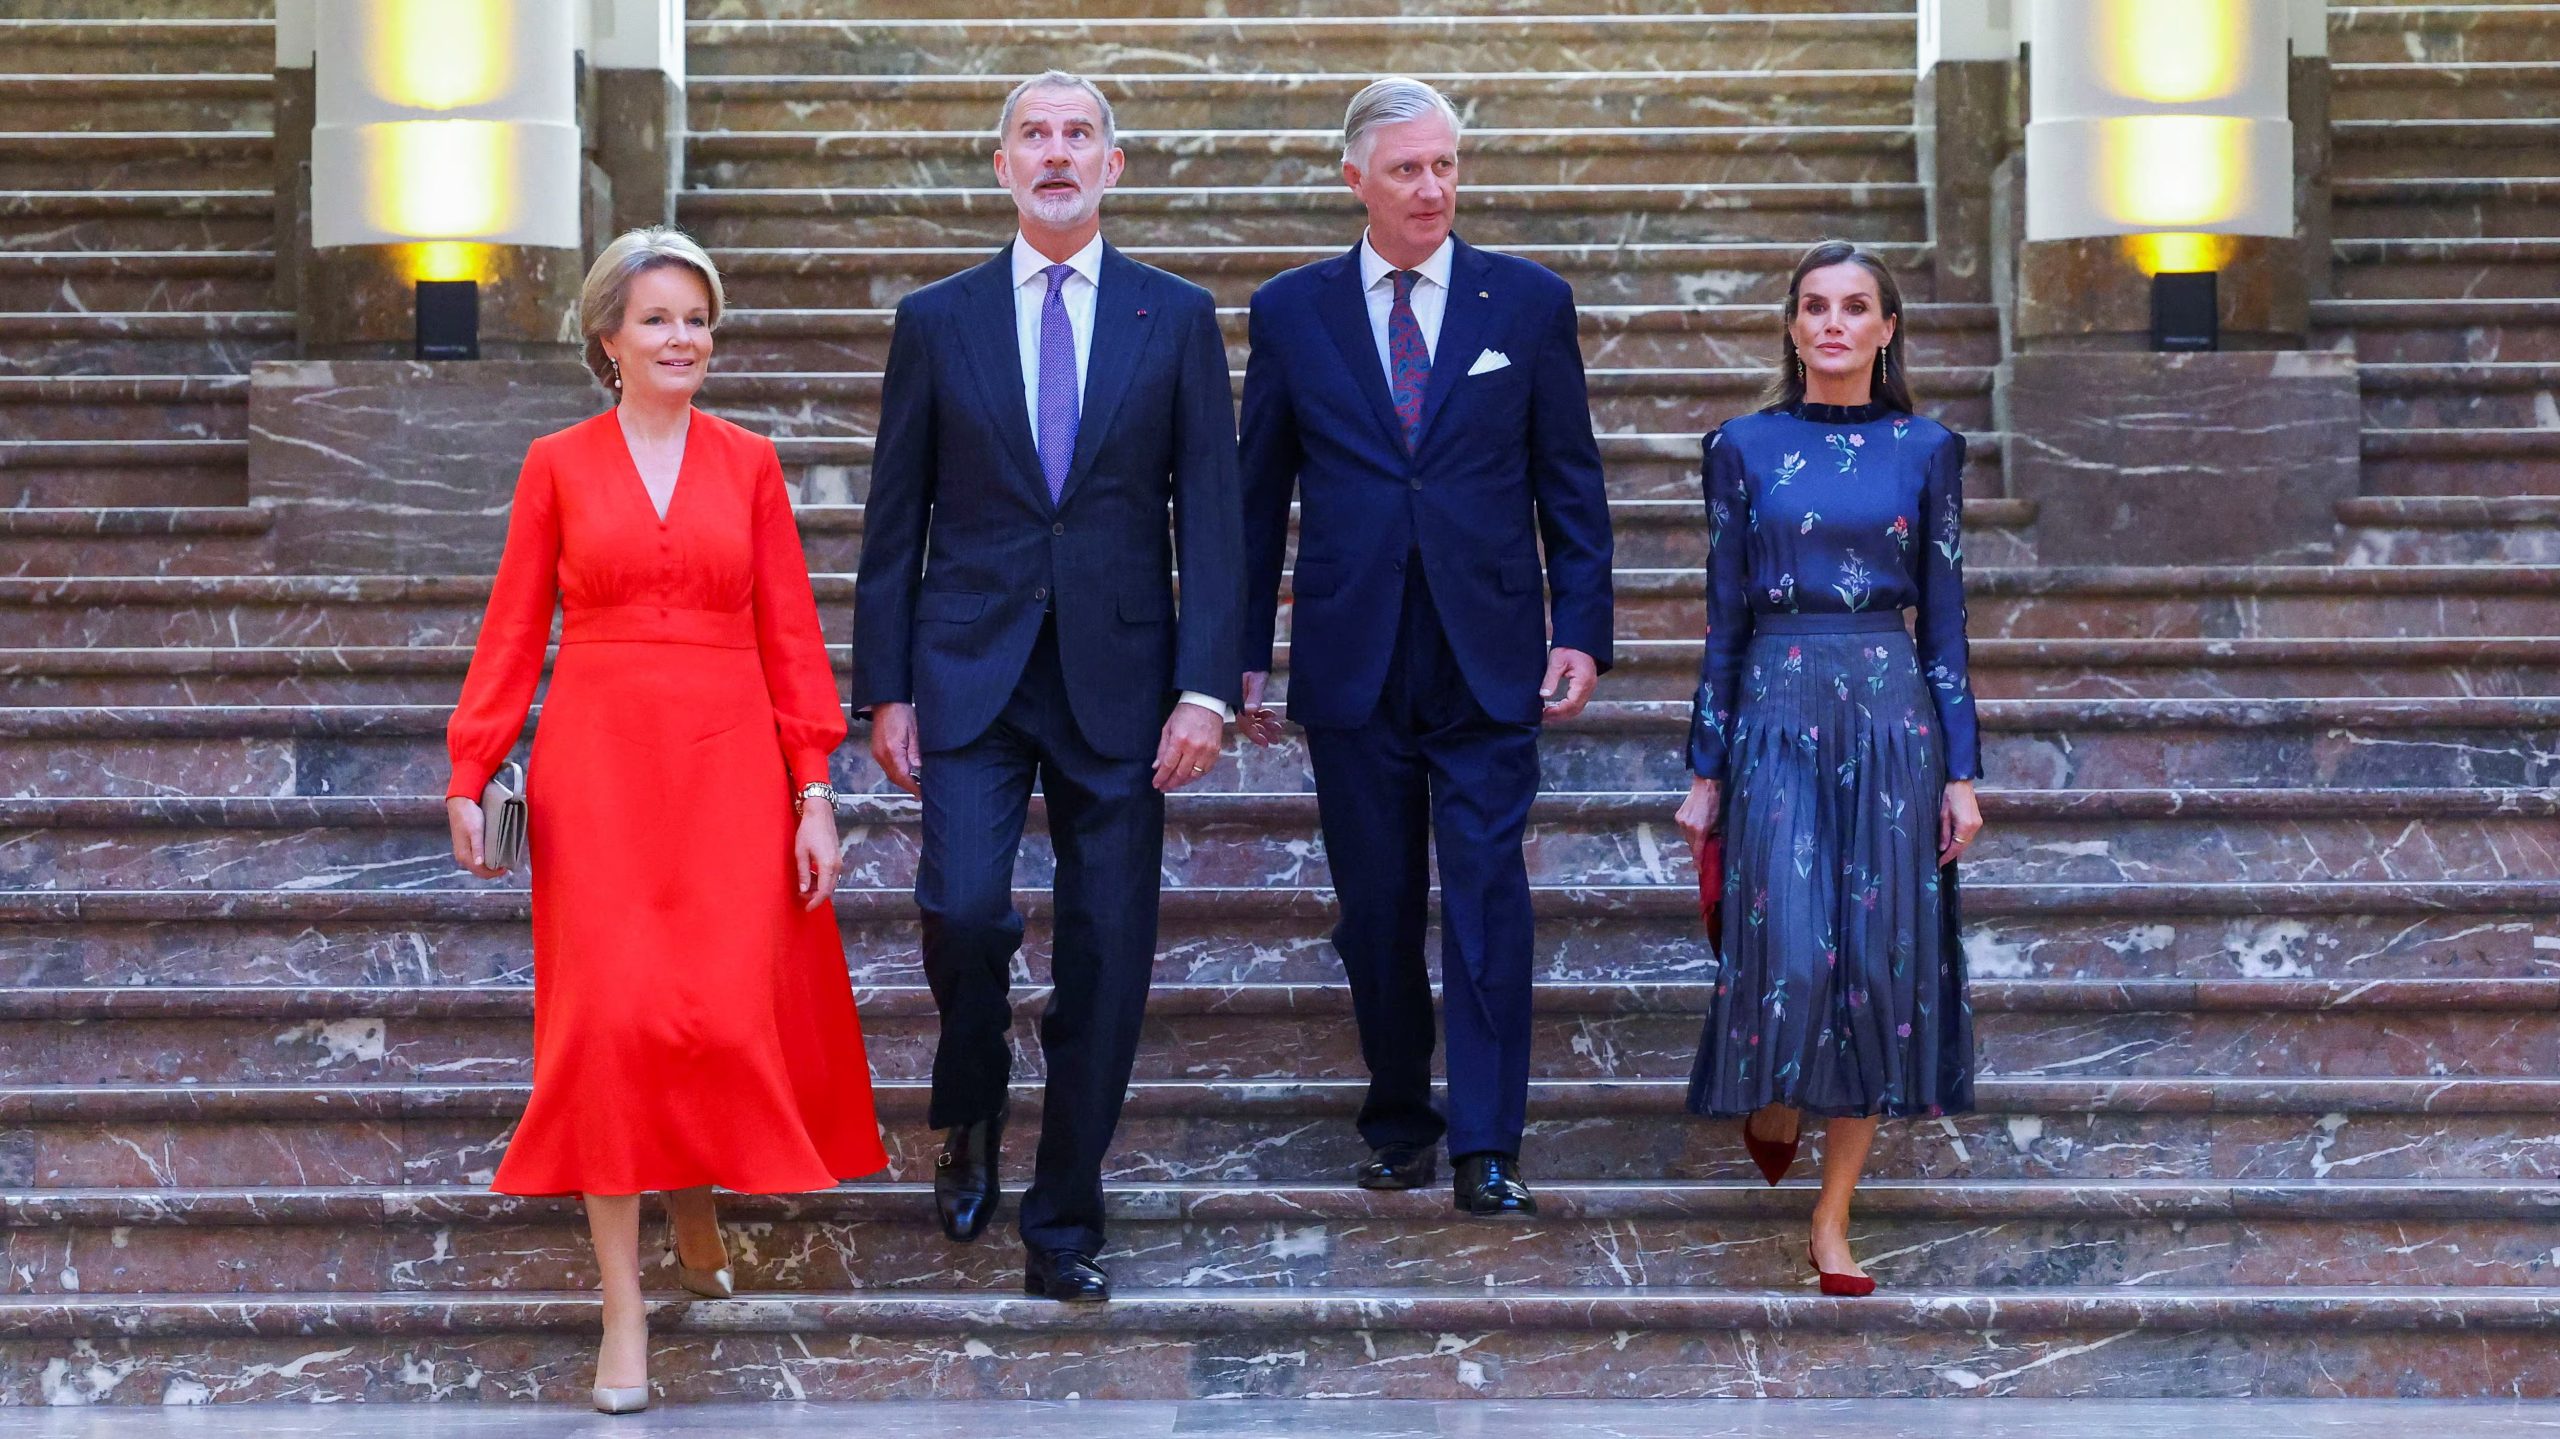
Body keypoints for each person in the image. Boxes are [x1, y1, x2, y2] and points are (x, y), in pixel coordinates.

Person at [443, 226, 886, 1412]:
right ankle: (624, 1304)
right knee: (611, 1021)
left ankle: (693, 1199)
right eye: (657, 318)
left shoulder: (748, 461)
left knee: (713, 1008)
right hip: (597, 769)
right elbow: (510, 626)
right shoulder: (555, 462)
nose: (682, 336)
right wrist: (473, 766)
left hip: (730, 767)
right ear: (608, 337)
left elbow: (791, 634)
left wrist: (813, 790)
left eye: (697, 317)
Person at [850, 70, 1243, 1302]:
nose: (1058, 153)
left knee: (1109, 953)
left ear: (1112, 167)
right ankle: (968, 1103)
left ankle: (1064, 1215)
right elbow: (892, 515)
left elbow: (1215, 524)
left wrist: (1207, 690)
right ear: (1004, 164)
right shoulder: (938, 318)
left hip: (1125, 685)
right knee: (964, 911)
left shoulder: (1173, 317)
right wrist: (884, 687)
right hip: (967, 669)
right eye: (1036, 135)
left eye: (1080, 136)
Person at [1236, 77, 1614, 1219]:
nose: (1432, 187)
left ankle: (1487, 1140)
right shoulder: (1291, 310)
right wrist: (1239, 650)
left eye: (1445, 165)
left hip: (1488, 647)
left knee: (1488, 891)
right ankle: (1401, 1112)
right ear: (1354, 178)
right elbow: (1256, 498)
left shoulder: (1527, 302)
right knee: (1377, 903)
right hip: (1352, 653)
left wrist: (1581, 628)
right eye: (1407, 168)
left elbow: (1571, 481)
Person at [1672, 240, 1985, 1297]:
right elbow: (1720, 616)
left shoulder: (1929, 447)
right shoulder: (1741, 447)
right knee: (1796, 954)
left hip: (1893, 714)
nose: (1835, 323)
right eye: (1815, 307)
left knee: (1880, 973)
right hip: (1775, 704)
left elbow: (1944, 621)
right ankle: (1771, 1097)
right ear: (1793, 327)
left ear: (1888, 328)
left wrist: (1962, 772)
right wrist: (1703, 765)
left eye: (1857, 307)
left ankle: (1833, 1216)